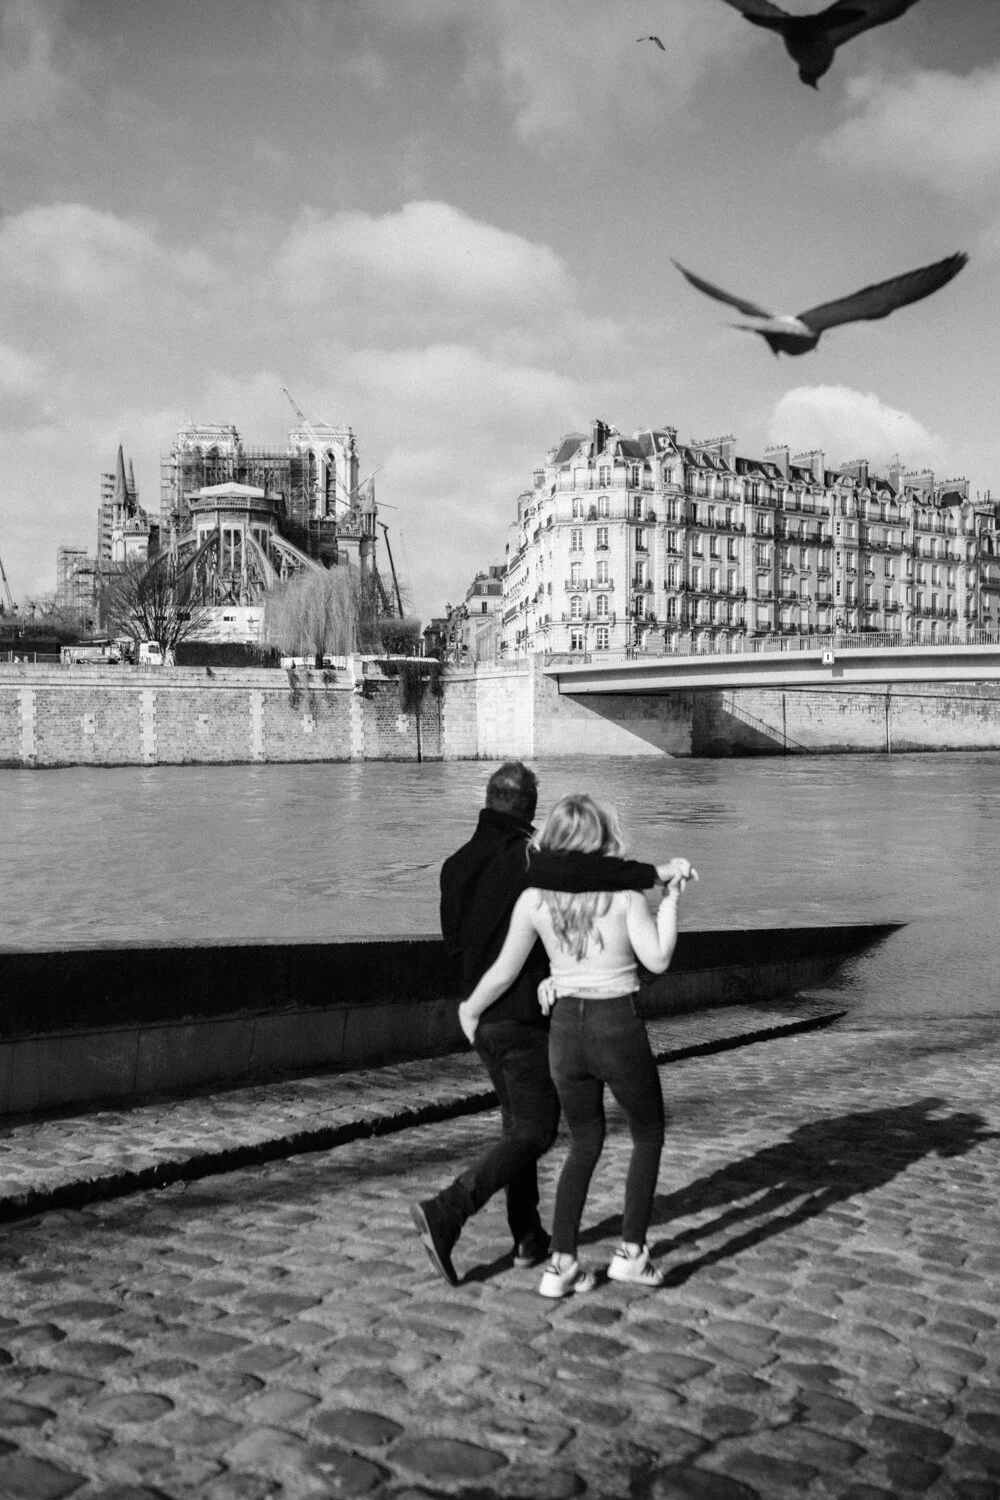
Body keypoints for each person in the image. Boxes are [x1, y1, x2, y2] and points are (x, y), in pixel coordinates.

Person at [412, 761, 680, 1287]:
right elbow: (587, 874)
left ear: (487, 801)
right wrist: (656, 877)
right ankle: (448, 1212)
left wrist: (472, 1006)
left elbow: (458, 946)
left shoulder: (453, 866)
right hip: (531, 1018)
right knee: (537, 1132)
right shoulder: (533, 863)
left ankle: (530, 1238)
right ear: (532, 811)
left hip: (483, 1016)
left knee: (522, 1132)